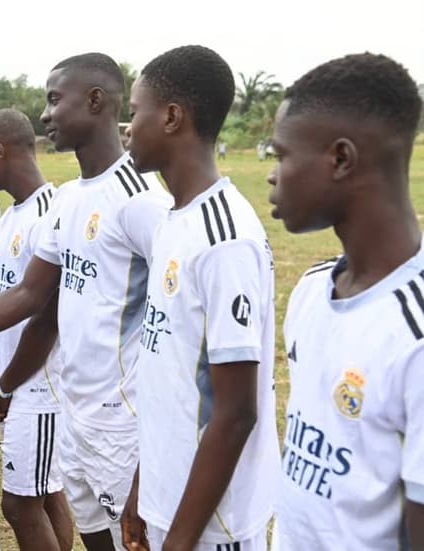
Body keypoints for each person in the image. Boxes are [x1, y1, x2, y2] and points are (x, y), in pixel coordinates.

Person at [0, 53, 172, 551]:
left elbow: (174, 326)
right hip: (75, 411)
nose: (45, 114)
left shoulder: (141, 200)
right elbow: (28, 295)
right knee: (92, 536)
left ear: (95, 101)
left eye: (53, 99)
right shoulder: (70, 199)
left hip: (121, 422)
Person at [118, 45, 278, 551]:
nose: (127, 129)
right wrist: (143, 490)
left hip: (213, 523)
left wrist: (181, 539)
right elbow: (170, 380)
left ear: (171, 117)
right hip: (169, 499)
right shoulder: (174, 220)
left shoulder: (224, 239)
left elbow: (236, 412)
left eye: (135, 113)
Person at [267, 53, 424, 550]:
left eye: (281, 155)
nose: (272, 175)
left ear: (340, 159)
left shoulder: (414, 335)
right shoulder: (311, 291)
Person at [0, 107, 73, 551]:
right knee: (45, 493)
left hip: (42, 386)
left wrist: (6, 386)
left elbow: (46, 319)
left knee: (20, 504)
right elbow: (3, 302)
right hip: (15, 382)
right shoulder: (12, 214)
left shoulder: (50, 214)